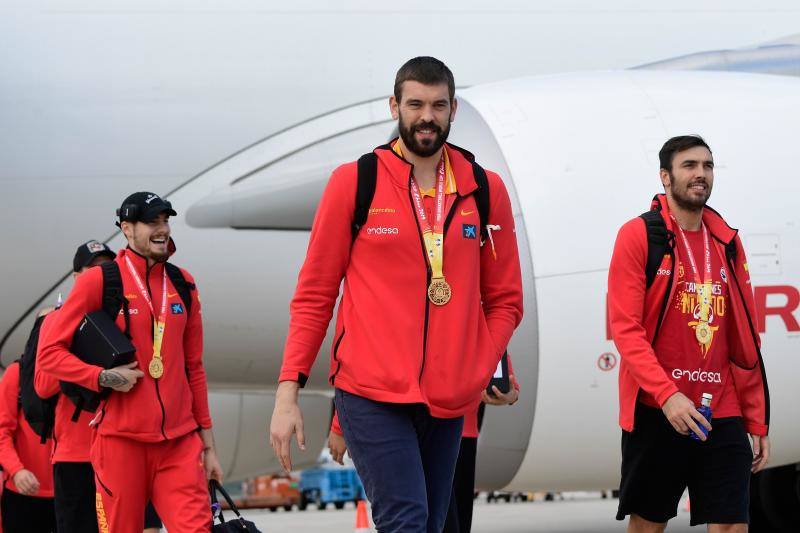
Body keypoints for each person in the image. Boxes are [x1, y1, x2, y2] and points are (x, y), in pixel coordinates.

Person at [270, 56, 523, 532]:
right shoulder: (356, 182)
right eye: (415, 104)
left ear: (453, 111)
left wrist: (479, 364)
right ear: (394, 107)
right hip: (370, 392)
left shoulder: (485, 190)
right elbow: (315, 295)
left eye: (438, 105)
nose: (426, 116)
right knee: (405, 520)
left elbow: (506, 299)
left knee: (432, 524)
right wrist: (288, 394)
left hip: (449, 399)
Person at [608, 135, 770, 532]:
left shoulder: (727, 242)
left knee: (732, 522)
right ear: (665, 176)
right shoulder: (639, 235)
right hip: (658, 407)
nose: (700, 174)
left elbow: (743, 340)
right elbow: (626, 331)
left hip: (722, 408)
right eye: (689, 166)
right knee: (649, 523)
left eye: (707, 166)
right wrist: (667, 396)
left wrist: (756, 418)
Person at [37, 193, 222, 533]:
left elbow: (193, 368)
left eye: (165, 221)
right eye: (152, 222)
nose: (162, 229)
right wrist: (102, 376)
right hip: (120, 443)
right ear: (127, 228)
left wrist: (208, 446)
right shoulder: (100, 280)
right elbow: (49, 354)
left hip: (179, 443)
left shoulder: (183, 283)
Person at [35, 240, 164, 533]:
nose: (102, 273)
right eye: (94, 268)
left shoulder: (127, 312)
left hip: (129, 444)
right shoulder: (57, 320)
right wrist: (86, 363)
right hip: (77, 455)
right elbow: (43, 386)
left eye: (108, 266)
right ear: (77, 277)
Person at [0, 354, 56, 532]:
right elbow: (2, 431)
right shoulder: (17, 373)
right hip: (22, 491)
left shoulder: (82, 372)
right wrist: (16, 470)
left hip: (72, 490)